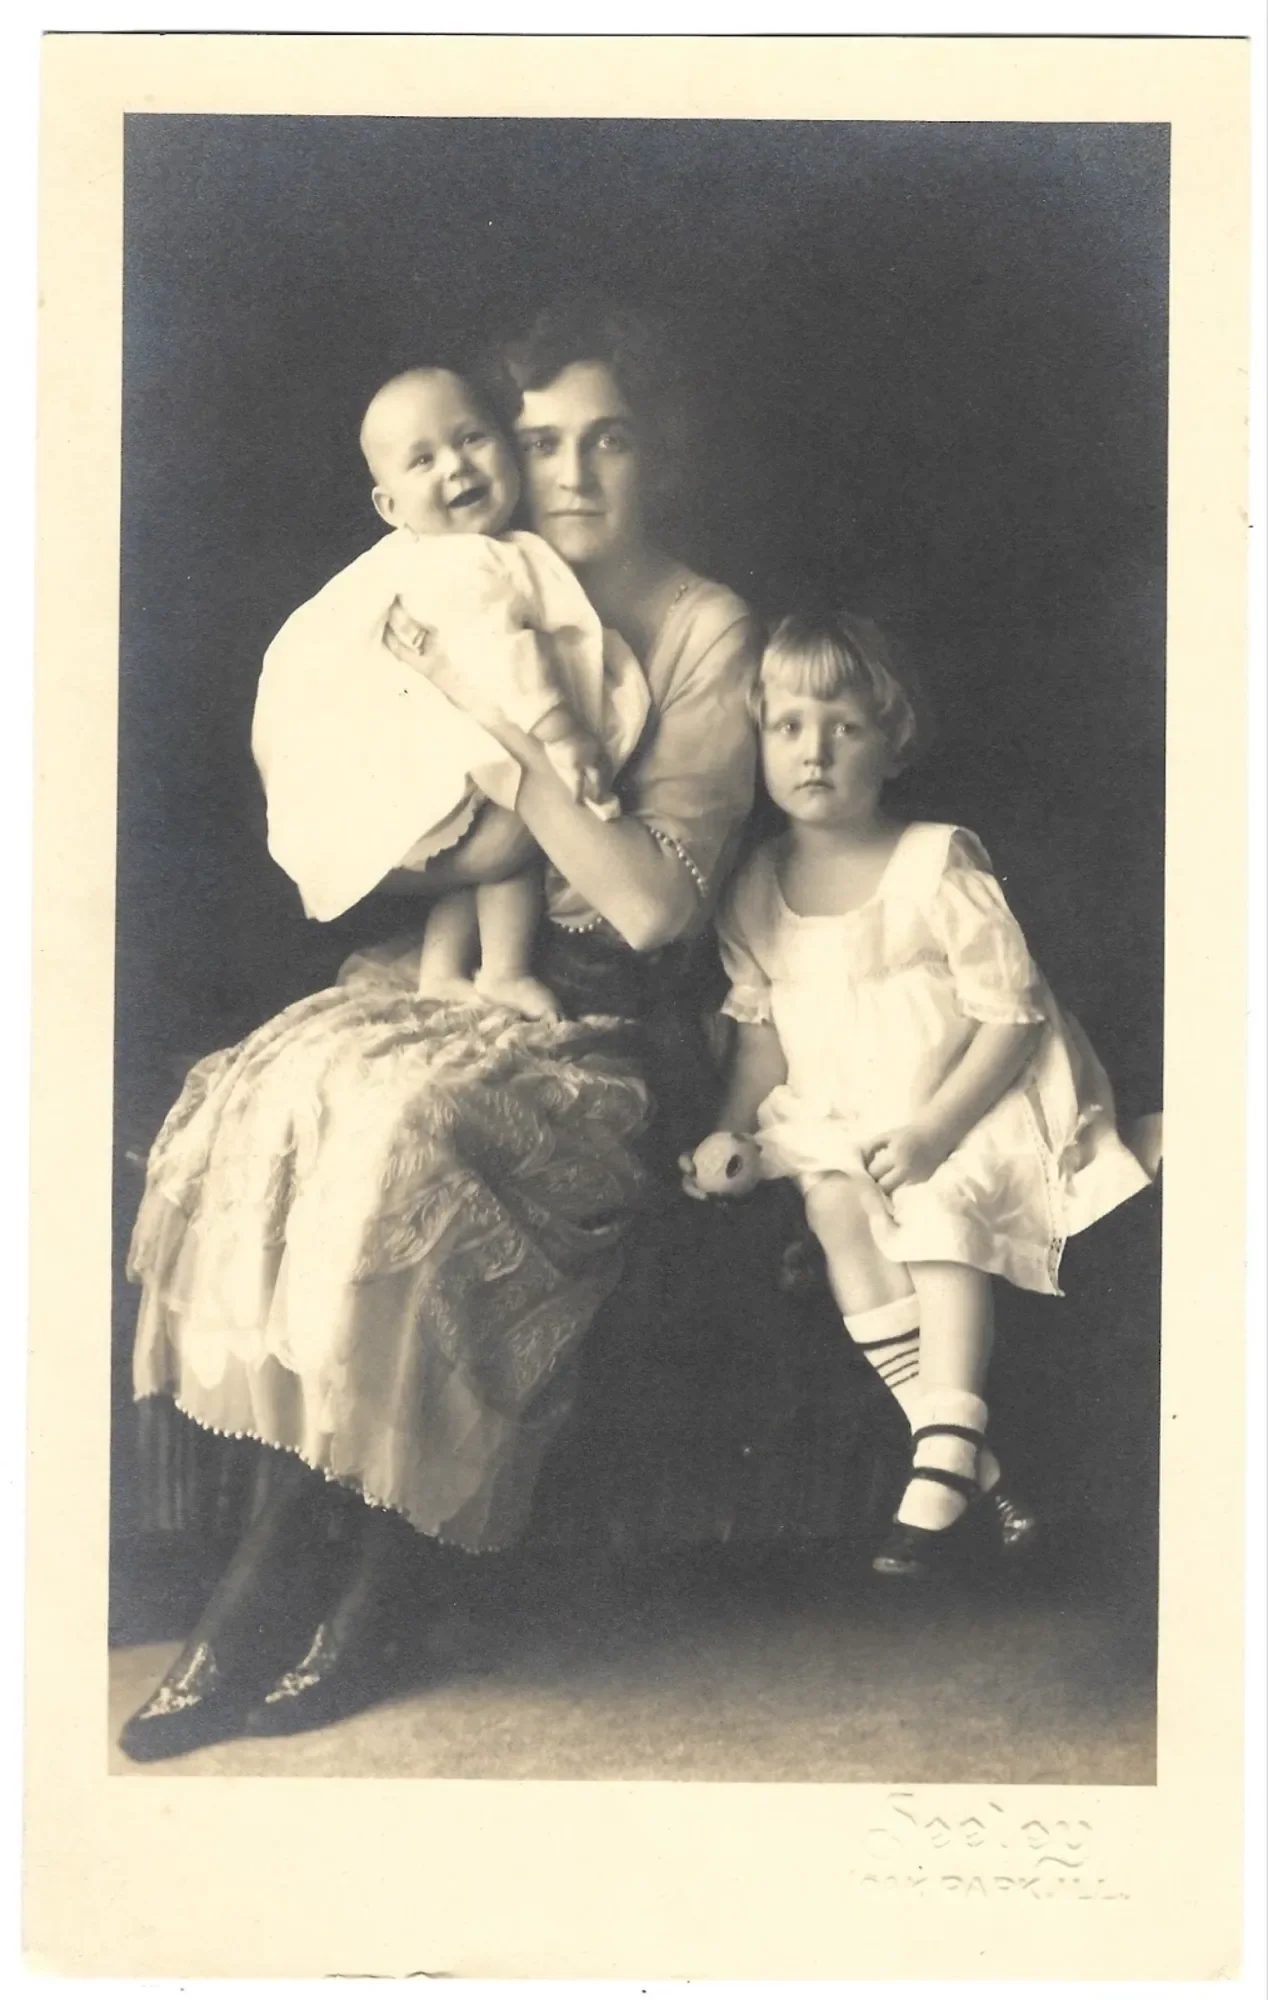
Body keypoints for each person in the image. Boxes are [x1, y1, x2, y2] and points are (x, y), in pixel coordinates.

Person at [119, 296, 761, 1759]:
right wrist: (448, 799)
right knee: (297, 1089)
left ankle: (328, 1591)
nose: (574, 473)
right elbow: (401, 838)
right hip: (452, 972)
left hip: (614, 1020)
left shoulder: (705, 628)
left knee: (411, 1136)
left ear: (654, 453)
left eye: (607, 439)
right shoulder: (467, 581)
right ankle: (293, 1589)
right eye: (543, 443)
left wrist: (504, 735)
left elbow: (655, 913)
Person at [681, 607, 1155, 1581]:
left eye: (842, 727)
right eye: (787, 726)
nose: (812, 751)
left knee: (934, 1208)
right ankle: (962, 1457)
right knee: (834, 1209)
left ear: (890, 741)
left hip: (964, 1096)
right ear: (758, 738)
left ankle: (939, 1462)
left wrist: (935, 1129)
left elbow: (1011, 1014)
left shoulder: (936, 860)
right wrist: (727, 1127)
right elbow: (761, 1040)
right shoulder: (751, 884)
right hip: (836, 1112)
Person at [255, 364, 651, 1019]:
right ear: (389, 507)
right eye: (423, 461)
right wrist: (562, 731)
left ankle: (442, 970)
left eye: (471, 439)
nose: (456, 468)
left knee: (495, 845)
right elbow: (506, 652)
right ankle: (503, 969)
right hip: (437, 750)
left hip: (443, 753)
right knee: (518, 835)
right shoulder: (464, 563)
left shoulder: (459, 553)